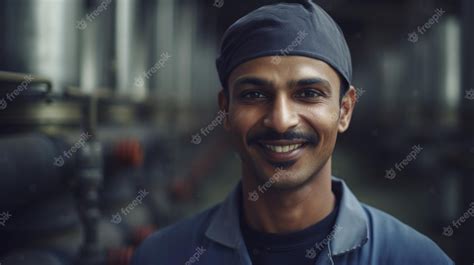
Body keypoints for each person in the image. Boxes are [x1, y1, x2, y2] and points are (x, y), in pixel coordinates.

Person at [131, 1, 454, 264]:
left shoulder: (414, 258)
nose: (281, 120)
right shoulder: (163, 256)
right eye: (254, 95)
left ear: (344, 110)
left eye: (309, 93)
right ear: (225, 110)